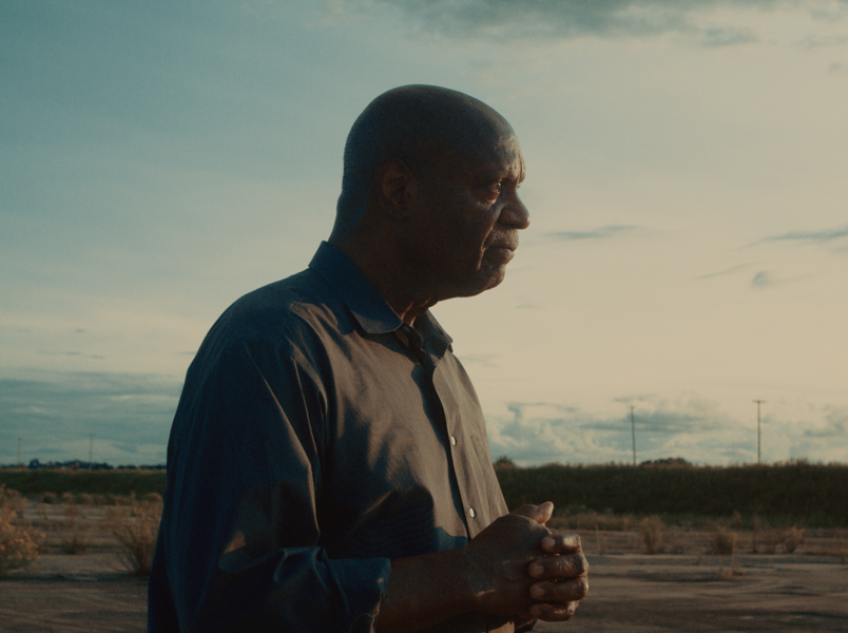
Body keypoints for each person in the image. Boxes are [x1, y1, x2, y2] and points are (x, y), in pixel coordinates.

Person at [149, 85, 589, 633]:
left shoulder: (442, 363)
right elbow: (231, 605)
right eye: (492, 187)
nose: (520, 216)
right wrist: (473, 573)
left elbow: (476, 582)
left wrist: (529, 582)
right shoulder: (272, 346)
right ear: (398, 189)